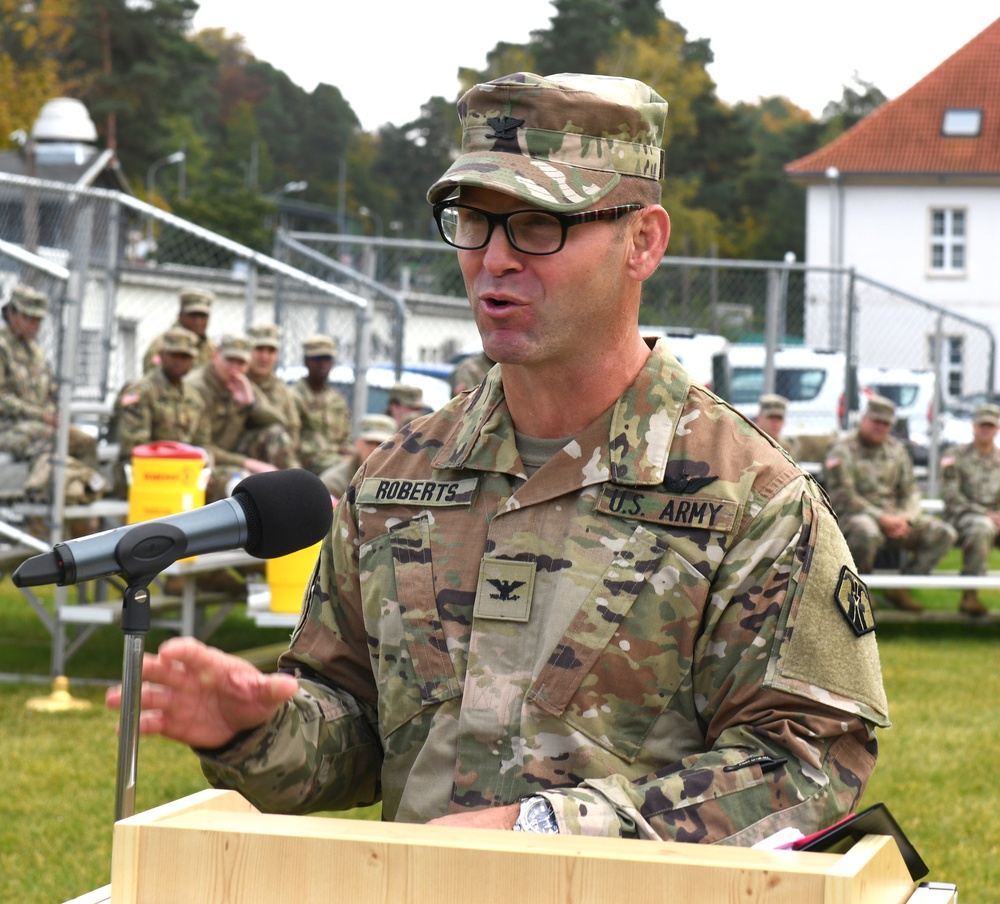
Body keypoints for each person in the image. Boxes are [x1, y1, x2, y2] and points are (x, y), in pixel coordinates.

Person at [108, 72, 887, 847]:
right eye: (474, 222)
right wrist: (256, 727)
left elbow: (806, 766)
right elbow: (358, 734)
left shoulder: (750, 496)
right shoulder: (397, 480)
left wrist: (549, 829)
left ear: (643, 241)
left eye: (539, 225)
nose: (496, 260)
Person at [823, 394, 956, 612]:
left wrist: (907, 519)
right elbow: (843, 496)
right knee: (867, 531)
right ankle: (857, 594)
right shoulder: (842, 450)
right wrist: (882, 518)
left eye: (886, 424)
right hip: (855, 518)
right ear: (864, 419)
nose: (880, 427)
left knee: (943, 533)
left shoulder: (897, 450)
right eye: (876, 421)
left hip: (895, 520)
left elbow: (910, 491)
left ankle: (901, 588)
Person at [0, 284, 104, 505]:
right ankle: (43, 506)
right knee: (51, 439)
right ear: (11, 313)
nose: (34, 325)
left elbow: (51, 392)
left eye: (38, 320)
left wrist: (55, 413)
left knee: (84, 441)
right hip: (7, 427)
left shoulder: (34, 350)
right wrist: (41, 415)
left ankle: (82, 494)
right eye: (29, 317)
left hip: (41, 425)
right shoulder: (2, 346)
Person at [185, 334, 299, 501]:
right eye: (230, 360)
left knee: (276, 435)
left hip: (235, 451)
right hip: (209, 461)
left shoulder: (241, 382)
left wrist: (251, 405)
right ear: (214, 356)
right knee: (242, 480)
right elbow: (200, 446)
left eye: (241, 362)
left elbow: (280, 422)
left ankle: (299, 489)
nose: (234, 367)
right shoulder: (197, 388)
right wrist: (249, 463)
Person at [111, 325, 212, 497]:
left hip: (184, 473)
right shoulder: (141, 392)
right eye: (174, 355)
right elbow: (135, 447)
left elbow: (203, 443)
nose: (179, 361)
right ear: (161, 356)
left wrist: (204, 467)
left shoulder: (194, 398)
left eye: (185, 356)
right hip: (144, 473)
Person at [940, 402, 1000, 616]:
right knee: (981, 527)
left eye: (990, 426)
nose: (985, 429)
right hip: (961, 517)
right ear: (973, 426)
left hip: (994, 520)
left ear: (997, 429)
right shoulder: (954, 456)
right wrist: (987, 515)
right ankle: (970, 596)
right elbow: (951, 496)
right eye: (982, 425)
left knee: (985, 525)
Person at [289, 334, 352, 478]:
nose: (322, 364)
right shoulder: (294, 396)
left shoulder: (337, 399)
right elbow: (292, 440)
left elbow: (345, 437)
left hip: (337, 459)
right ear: (306, 362)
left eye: (327, 359)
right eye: (317, 359)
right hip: (309, 462)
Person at [247, 322, 301, 450]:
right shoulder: (237, 383)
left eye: (271, 351)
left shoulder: (281, 389)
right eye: (259, 349)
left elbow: (293, 427)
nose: (264, 357)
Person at [319, 413, 397, 498]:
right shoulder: (336, 482)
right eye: (369, 442)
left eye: (382, 444)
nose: (375, 449)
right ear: (357, 443)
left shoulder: (402, 478)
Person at [143, 287, 217, 373]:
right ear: (180, 316)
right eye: (193, 315)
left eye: (203, 316)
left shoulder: (211, 348)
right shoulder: (163, 345)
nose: (198, 321)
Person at [755, 393, 798, 458]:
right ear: (759, 418)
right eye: (771, 417)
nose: (775, 422)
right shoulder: (751, 443)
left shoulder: (788, 446)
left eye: (779, 418)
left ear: (784, 421)